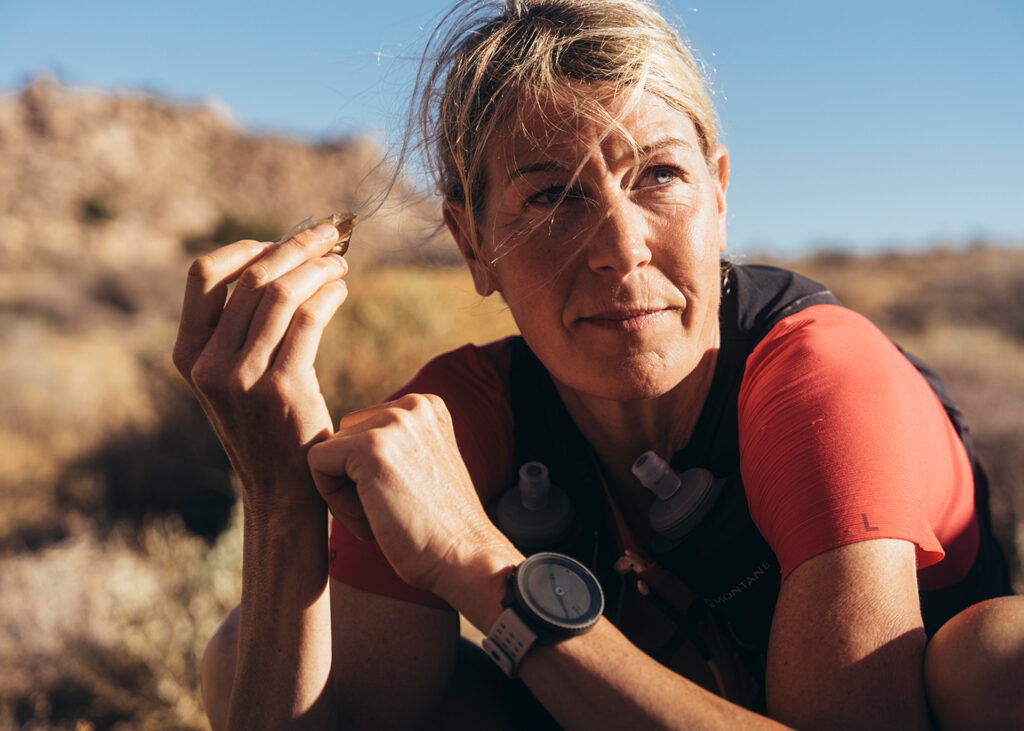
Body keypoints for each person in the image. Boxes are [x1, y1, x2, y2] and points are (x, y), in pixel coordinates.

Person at [176, 1, 1024, 728]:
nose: (621, 249)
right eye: (551, 195)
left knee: (995, 664)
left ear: (720, 196)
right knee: (252, 648)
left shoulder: (818, 377)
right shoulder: (467, 411)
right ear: (475, 244)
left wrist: (483, 566)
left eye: (659, 175)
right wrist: (281, 503)